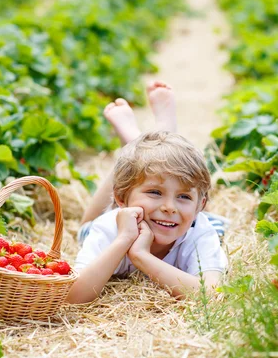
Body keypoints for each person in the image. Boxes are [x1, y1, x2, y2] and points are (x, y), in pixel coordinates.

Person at [67, 82, 228, 304]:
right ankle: (137, 147)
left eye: (183, 196)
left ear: (201, 206)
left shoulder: (199, 231)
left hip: (195, 220)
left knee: (214, 221)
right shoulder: (108, 228)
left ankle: (147, 144)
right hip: (117, 221)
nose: (169, 206)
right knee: (85, 226)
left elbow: (211, 296)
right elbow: (74, 296)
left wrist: (141, 257)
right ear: (121, 199)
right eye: (154, 192)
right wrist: (124, 239)